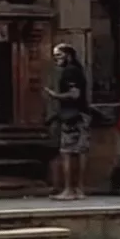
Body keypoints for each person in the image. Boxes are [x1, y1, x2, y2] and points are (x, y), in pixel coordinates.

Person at [44, 43, 90, 200]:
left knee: (67, 152)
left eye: (59, 55)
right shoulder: (77, 70)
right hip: (81, 115)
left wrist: (54, 95)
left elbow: (75, 94)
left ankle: (69, 190)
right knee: (79, 152)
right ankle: (78, 189)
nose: (56, 59)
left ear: (68, 56)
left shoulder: (69, 72)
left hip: (73, 116)